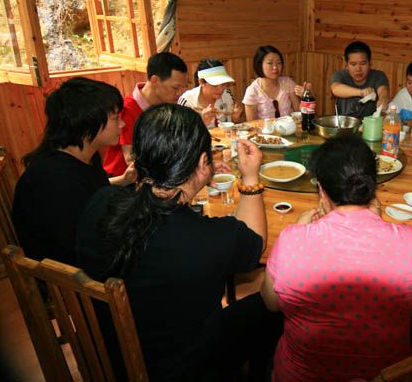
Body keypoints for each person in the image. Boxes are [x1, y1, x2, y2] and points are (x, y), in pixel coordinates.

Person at [77, 104, 281, 380]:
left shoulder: (101, 200)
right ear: (202, 163)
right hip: (183, 366)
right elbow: (254, 242)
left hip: (110, 356)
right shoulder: (207, 239)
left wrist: (199, 178)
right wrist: (250, 177)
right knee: (275, 305)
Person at [260, 135, 412, 381]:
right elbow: (406, 304)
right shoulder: (410, 242)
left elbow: (271, 303)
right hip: (387, 375)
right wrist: (378, 222)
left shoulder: (292, 240)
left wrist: (298, 230)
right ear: (371, 186)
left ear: (321, 190)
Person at [12, 77, 136, 266]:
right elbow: (80, 248)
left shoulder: (84, 155)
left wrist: (124, 180)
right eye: (115, 118)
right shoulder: (55, 180)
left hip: (91, 253)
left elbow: (92, 194)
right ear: (86, 123)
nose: (122, 124)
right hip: (70, 277)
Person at [103, 52, 189, 177]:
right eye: (176, 88)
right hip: (122, 179)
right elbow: (131, 159)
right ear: (155, 80)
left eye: (183, 87)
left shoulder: (165, 104)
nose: (180, 93)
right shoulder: (127, 109)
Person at [242, 45, 307, 120]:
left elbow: (299, 113)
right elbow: (252, 123)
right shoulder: (253, 91)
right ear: (259, 65)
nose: (275, 67)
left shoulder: (287, 83)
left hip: (289, 126)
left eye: (278, 63)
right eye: (270, 63)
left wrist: (306, 98)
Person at [330, 41, 390, 118]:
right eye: (353, 64)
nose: (358, 69)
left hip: (370, 124)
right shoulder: (341, 75)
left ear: (370, 64)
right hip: (343, 123)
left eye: (363, 64)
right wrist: (361, 92)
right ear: (347, 65)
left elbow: (383, 92)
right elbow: (335, 89)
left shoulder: (378, 76)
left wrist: (383, 99)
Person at [178, 58, 243, 127]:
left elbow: (231, 126)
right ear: (201, 82)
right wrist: (201, 122)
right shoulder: (187, 101)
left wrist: (234, 119)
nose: (221, 89)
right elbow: (180, 131)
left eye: (223, 84)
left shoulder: (226, 94)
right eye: (215, 85)